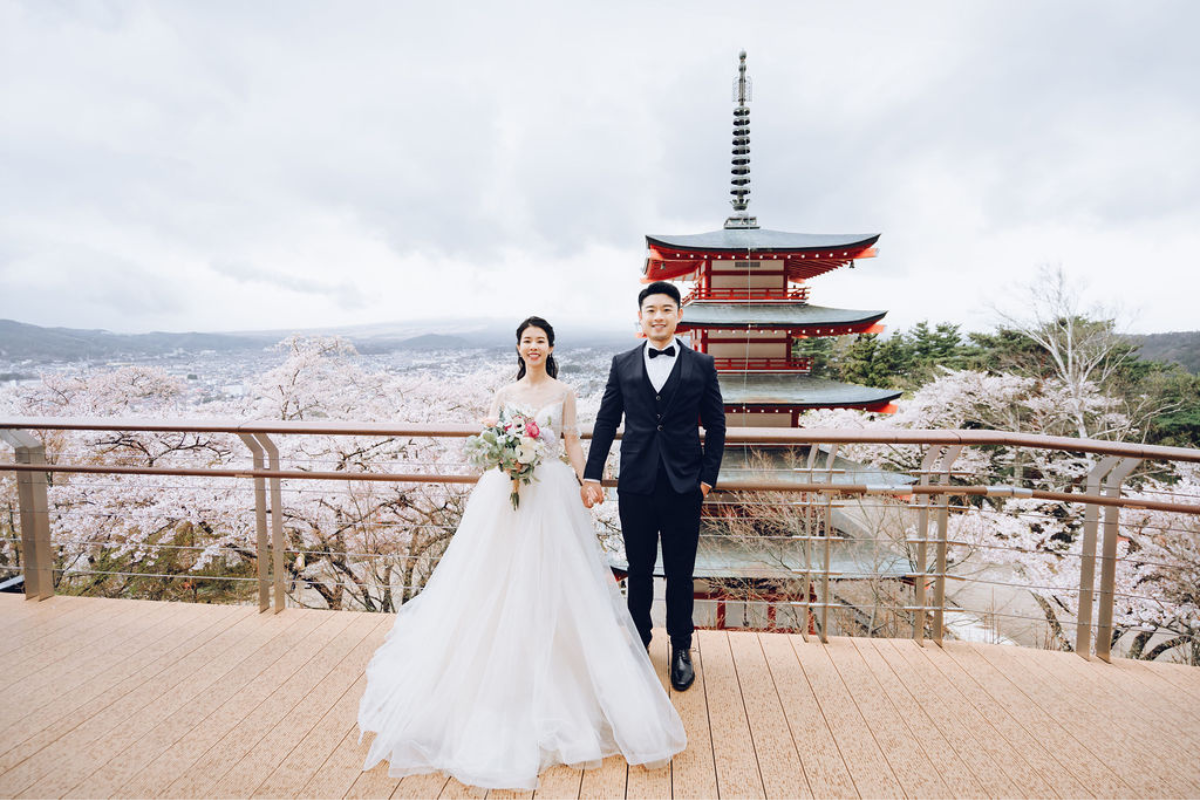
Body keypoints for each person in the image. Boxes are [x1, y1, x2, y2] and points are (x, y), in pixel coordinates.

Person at [357, 316, 686, 792]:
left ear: (551, 346)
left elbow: (572, 442)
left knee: (556, 580)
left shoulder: (566, 391)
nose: (534, 346)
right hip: (505, 494)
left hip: (549, 494)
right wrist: (506, 457)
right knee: (493, 578)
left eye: (541, 340)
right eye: (526, 340)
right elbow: (492, 442)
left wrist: (585, 479)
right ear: (519, 347)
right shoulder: (503, 394)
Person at [581, 281, 726, 693]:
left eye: (666, 309)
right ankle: (638, 644)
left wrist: (707, 480)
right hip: (636, 485)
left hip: (685, 486)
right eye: (651, 310)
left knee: (681, 573)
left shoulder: (702, 365)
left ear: (678, 315)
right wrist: (593, 473)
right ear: (640, 317)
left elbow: (716, 425)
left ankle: (682, 648)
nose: (658, 317)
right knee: (639, 570)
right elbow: (608, 421)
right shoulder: (622, 363)